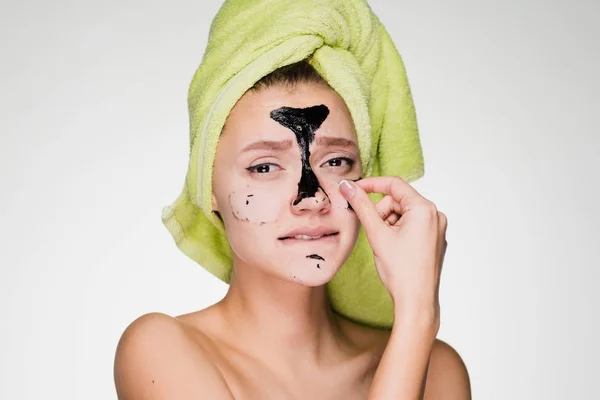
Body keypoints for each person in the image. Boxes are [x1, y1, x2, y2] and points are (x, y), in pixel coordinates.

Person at [114, 2, 471, 399]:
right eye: (264, 167)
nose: (311, 197)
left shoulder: (436, 367)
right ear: (208, 189)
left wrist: (416, 315)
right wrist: (420, 318)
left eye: (336, 161)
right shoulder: (161, 350)